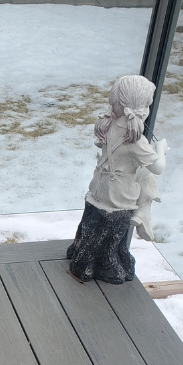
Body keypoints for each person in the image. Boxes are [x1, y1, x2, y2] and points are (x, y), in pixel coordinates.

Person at [67, 75, 169, 283]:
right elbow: (157, 168)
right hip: (119, 195)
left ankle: (82, 251)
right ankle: (104, 261)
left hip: (99, 187)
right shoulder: (135, 139)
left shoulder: (108, 124)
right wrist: (161, 150)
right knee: (114, 231)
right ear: (140, 107)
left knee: (94, 224)